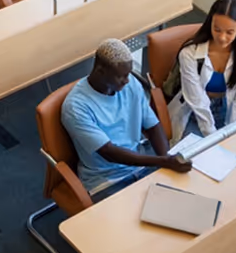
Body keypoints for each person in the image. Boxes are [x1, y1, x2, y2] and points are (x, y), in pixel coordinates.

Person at [61, 38, 191, 198]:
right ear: (100, 71)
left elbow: (152, 125)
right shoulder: (75, 106)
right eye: (121, 76)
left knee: (182, 197)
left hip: (140, 167)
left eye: (128, 74)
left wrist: (166, 159)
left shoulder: (130, 85)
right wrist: (163, 162)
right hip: (106, 181)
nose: (127, 80)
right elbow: (109, 152)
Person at [164, 0, 236, 141]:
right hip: (195, 112)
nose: (222, 37)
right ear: (210, 24)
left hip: (228, 107)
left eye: (229, 32)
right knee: (197, 155)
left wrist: (234, 132)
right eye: (217, 29)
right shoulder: (189, 54)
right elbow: (197, 100)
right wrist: (213, 137)